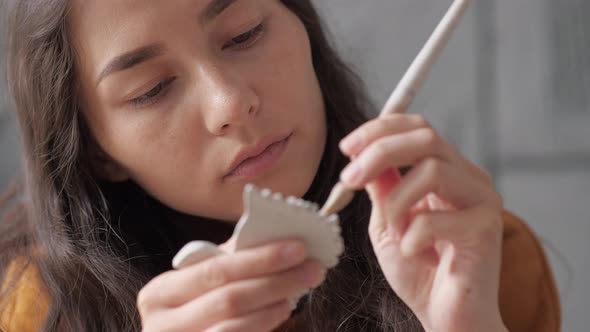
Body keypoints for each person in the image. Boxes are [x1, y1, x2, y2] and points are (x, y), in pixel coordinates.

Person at [0, 1, 560, 331]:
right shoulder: (40, 309)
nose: (230, 103)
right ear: (98, 149)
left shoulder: (479, 263)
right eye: (152, 90)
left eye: (245, 33)